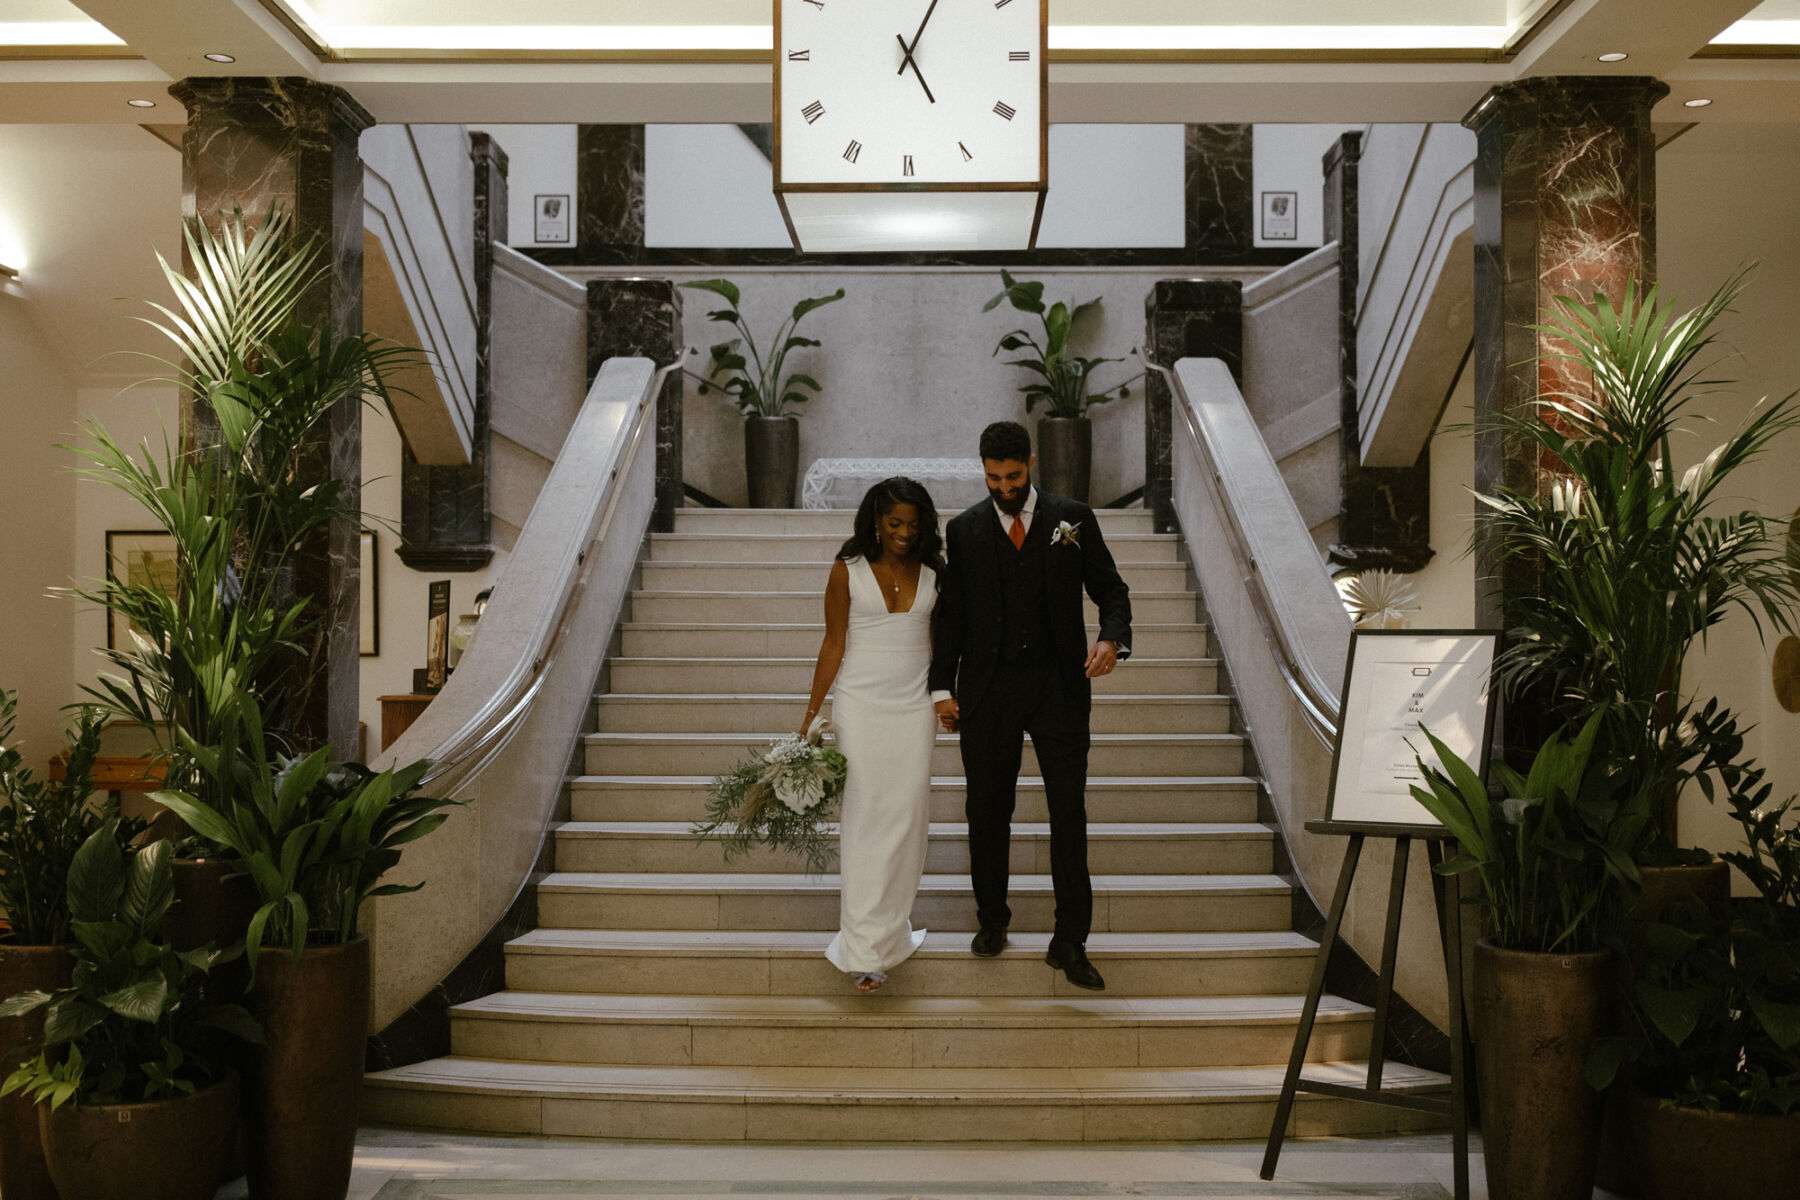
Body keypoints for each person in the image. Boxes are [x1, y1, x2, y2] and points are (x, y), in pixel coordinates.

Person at [928, 422, 1132, 991]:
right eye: (993, 478)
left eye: (1013, 477)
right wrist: (942, 687)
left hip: (1059, 689)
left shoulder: (1073, 519)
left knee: (1069, 812)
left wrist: (1111, 639)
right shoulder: (965, 529)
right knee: (986, 810)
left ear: (1031, 464)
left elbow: (1112, 590)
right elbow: (953, 616)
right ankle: (992, 919)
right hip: (988, 691)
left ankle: (1071, 939)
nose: (1004, 488)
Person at [799, 477, 943, 992]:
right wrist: (812, 712)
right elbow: (833, 643)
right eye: (894, 523)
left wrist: (946, 698)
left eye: (913, 523)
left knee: (906, 820)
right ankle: (863, 950)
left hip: (914, 709)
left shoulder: (934, 573)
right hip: (860, 707)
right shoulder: (847, 571)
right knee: (862, 820)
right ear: (876, 522)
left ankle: (890, 933)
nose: (904, 532)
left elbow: (939, 647)